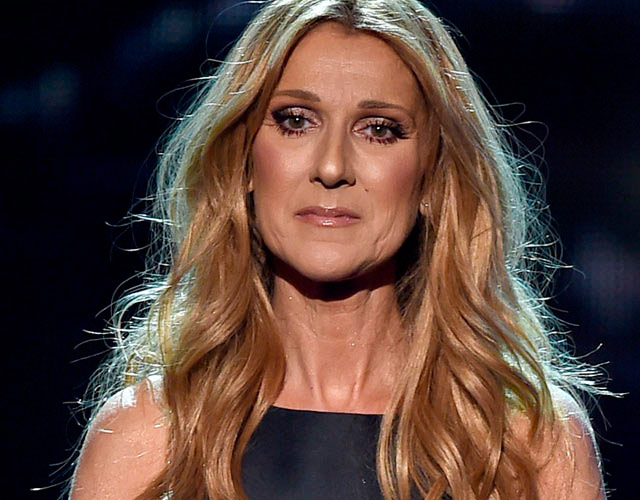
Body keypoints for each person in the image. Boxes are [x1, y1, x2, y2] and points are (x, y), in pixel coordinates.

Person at [68, 1, 607, 499]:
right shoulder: (148, 437)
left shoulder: (527, 446)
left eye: (379, 130)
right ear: (243, 159)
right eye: (295, 121)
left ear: (433, 177)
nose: (331, 167)